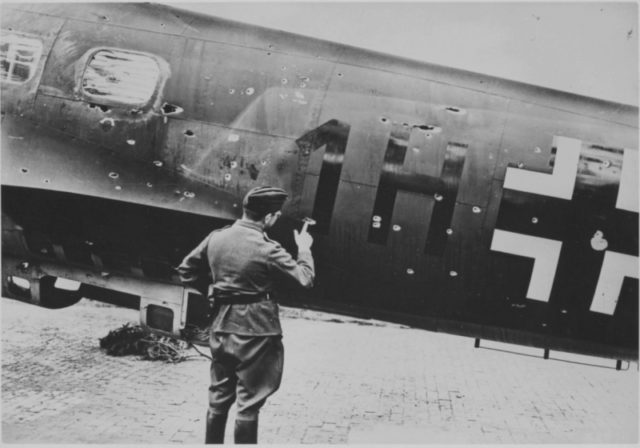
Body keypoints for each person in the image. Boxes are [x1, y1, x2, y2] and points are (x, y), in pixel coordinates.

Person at [177, 186, 315, 444]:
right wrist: (304, 249)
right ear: (270, 217)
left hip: (220, 327)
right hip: (256, 331)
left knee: (218, 399)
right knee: (248, 405)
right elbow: (304, 279)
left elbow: (186, 270)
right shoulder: (267, 248)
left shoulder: (216, 237)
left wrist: (211, 291)